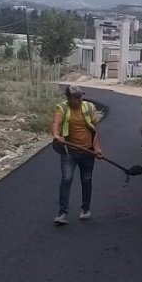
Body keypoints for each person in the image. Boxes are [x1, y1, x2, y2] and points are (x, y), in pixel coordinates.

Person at [51, 85, 102, 226]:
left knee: (87, 179)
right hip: (69, 152)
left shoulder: (89, 107)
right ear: (68, 98)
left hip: (87, 151)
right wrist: (56, 135)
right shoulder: (62, 108)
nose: (79, 99)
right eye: (76, 97)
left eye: (81, 96)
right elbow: (56, 123)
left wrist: (97, 147)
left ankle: (86, 209)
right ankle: (62, 213)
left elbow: (95, 130)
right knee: (66, 179)